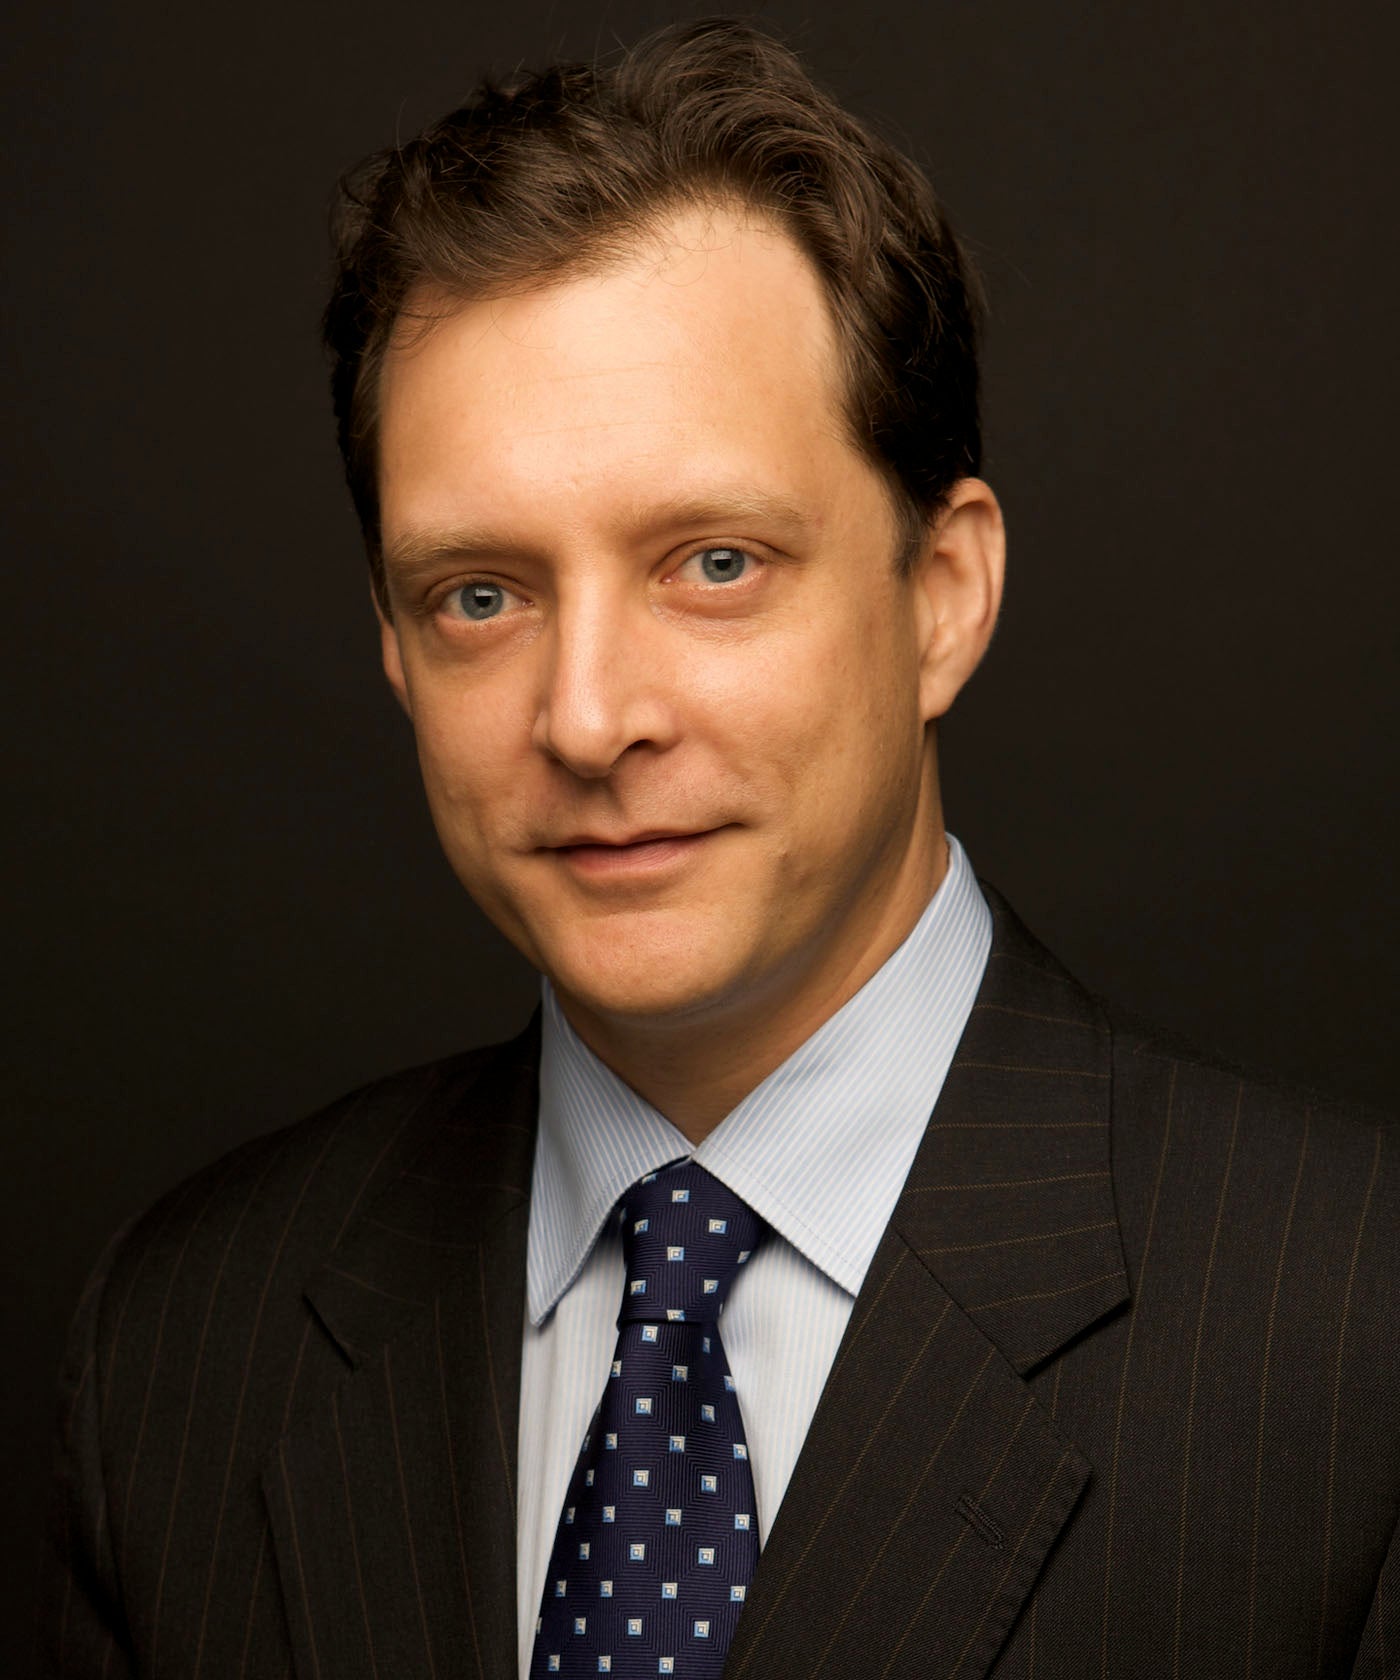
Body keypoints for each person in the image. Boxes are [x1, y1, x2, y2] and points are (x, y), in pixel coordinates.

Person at [40, 19, 1396, 1680]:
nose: (588, 716)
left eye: (715, 564)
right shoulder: (182, 1344)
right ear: (393, 648)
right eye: (482, 594)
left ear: (942, 598)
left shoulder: (1353, 1334)